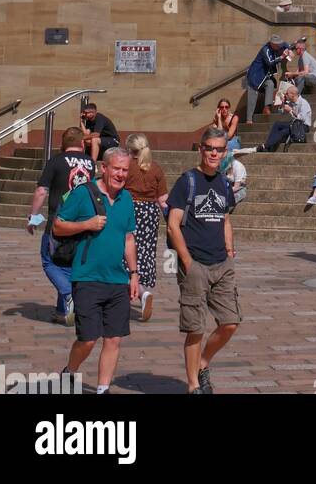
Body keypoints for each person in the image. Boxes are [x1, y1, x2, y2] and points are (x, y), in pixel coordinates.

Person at [52, 146, 138, 396]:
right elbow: (58, 226)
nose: (121, 174)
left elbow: (129, 238)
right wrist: (86, 224)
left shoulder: (127, 198)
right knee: (88, 338)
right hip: (87, 277)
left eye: (125, 170)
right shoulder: (83, 193)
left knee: (114, 338)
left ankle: (102, 388)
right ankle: (69, 370)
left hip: (118, 279)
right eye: (116, 169)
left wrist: (134, 274)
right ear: (104, 168)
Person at [166, 127, 241, 396]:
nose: (213, 153)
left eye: (219, 149)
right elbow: (173, 225)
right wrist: (187, 262)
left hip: (221, 264)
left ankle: (203, 364)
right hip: (194, 264)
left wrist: (230, 251)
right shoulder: (187, 181)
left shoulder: (223, 183)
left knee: (230, 322)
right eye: (209, 147)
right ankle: (193, 385)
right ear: (201, 149)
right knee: (195, 328)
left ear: (225, 152)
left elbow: (225, 218)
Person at [27, 127, 94, 325]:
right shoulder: (90, 163)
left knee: (49, 261)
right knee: (67, 265)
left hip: (59, 221)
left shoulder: (55, 161)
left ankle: (67, 294)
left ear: (63, 144)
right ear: (82, 144)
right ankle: (62, 311)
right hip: (82, 222)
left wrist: (33, 216)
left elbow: (41, 191)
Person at [124, 134, 168, 322]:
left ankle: (139, 292)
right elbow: (163, 199)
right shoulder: (155, 168)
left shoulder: (126, 166)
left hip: (129, 208)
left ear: (129, 149)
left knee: (124, 252)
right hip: (150, 212)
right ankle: (143, 290)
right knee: (145, 252)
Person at [244, 34, 293, 124]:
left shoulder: (277, 46)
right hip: (255, 76)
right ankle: (249, 119)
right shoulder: (265, 50)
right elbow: (270, 63)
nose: (279, 46)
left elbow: (285, 44)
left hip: (265, 76)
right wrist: (281, 57)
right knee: (252, 96)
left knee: (270, 84)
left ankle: (267, 107)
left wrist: (289, 50)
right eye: (276, 44)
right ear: (272, 44)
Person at [258, 85, 311, 152]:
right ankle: (268, 145)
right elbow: (281, 112)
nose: (285, 95)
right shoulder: (292, 102)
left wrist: (291, 110)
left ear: (292, 95)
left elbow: (302, 118)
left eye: (287, 93)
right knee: (277, 124)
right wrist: (283, 103)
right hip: (294, 124)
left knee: (282, 132)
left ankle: (266, 146)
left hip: (303, 126)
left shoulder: (303, 103)